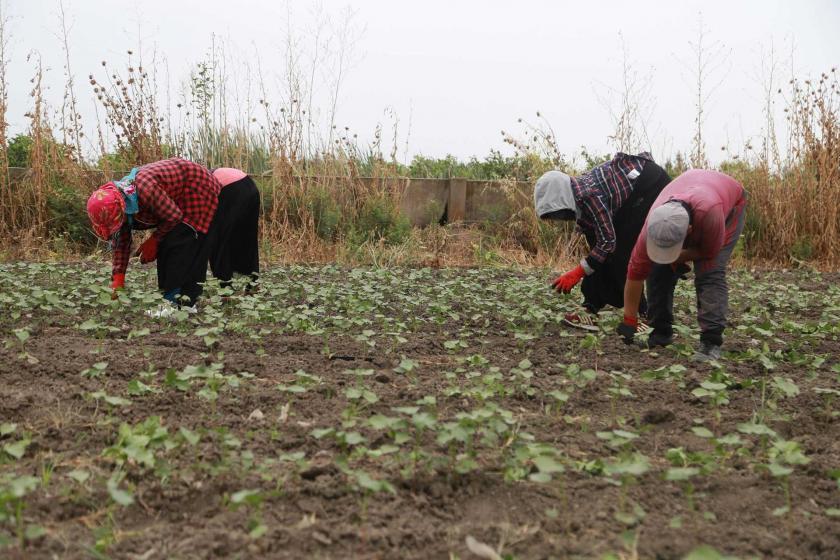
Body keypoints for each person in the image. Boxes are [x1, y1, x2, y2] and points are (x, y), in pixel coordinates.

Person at [616, 169, 747, 362]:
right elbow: (635, 275)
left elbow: (707, 252)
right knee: (658, 269)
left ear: (690, 231)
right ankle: (660, 334)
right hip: (693, 192)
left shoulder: (710, 213)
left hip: (727, 205)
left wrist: (676, 258)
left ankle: (711, 342)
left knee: (709, 272)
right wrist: (629, 322)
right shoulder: (652, 224)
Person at [534, 152, 671, 331]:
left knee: (622, 253)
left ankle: (644, 315)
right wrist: (587, 267)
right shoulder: (578, 199)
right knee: (603, 255)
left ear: (563, 198)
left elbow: (608, 242)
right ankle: (590, 308)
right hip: (631, 194)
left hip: (650, 184)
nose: (561, 218)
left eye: (559, 213)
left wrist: (577, 272)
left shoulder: (589, 195)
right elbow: (598, 250)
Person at [86, 157, 221, 316]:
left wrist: (153, 241)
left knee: (178, 241)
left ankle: (177, 305)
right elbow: (121, 244)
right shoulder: (121, 203)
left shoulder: (145, 189)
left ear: (121, 208)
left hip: (198, 186)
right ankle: (182, 304)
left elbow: (173, 217)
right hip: (177, 198)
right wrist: (118, 281)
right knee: (168, 241)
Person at [208, 167, 261, 289]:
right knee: (248, 237)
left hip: (232, 189)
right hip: (250, 186)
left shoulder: (200, 181)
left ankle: (225, 285)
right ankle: (252, 284)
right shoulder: (207, 174)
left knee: (218, 239)